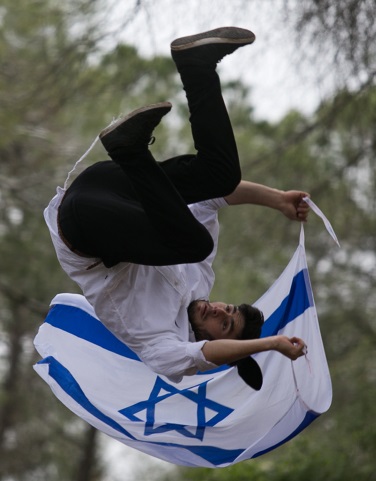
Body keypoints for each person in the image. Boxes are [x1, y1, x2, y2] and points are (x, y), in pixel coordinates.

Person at [45, 26, 309, 385]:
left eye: (223, 324)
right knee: (221, 176)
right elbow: (218, 197)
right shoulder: (201, 276)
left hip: (83, 227)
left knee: (193, 242)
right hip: (112, 184)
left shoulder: (160, 346)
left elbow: (204, 357)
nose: (216, 310)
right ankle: (196, 66)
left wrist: (272, 344)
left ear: (210, 339)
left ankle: (131, 150)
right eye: (227, 308)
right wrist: (277, 199)